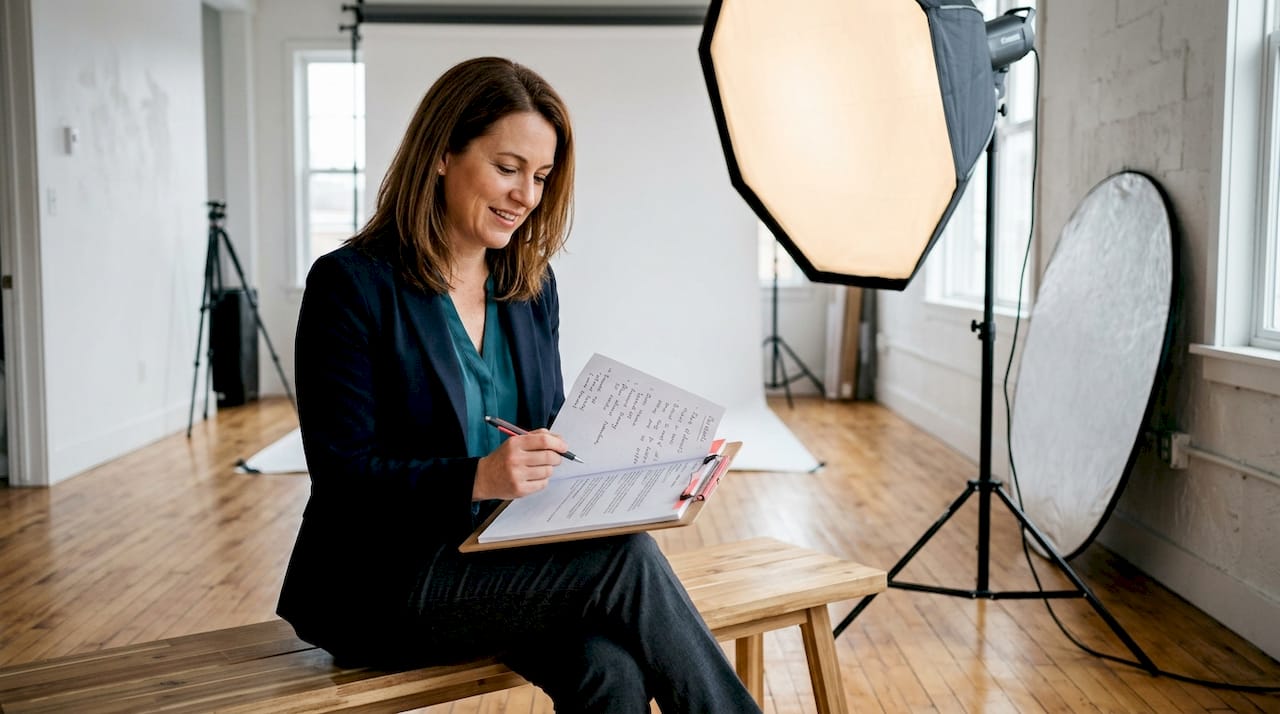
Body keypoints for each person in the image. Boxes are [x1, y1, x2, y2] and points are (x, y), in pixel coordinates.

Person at [277, 57, 761, 713]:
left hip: (504, 561)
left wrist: (641, 473)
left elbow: (548, 432)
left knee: (611, 672)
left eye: (539, 177)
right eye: (507, 169)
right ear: (442, 154)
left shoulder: (529, 287)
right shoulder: (350, 285)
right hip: (379, 583)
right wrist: (476, 477)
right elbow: (342, 477)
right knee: (625, 561)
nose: (526, 196)